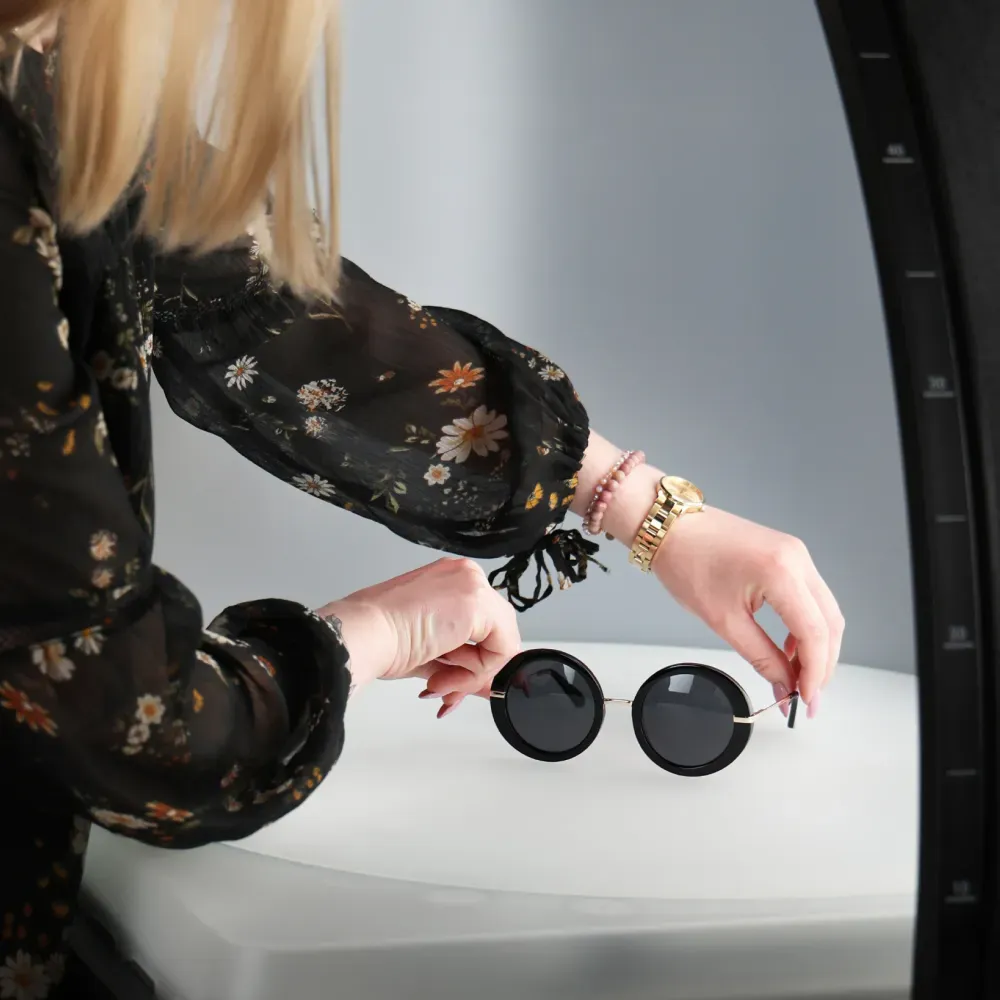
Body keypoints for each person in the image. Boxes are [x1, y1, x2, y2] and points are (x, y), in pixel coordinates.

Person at [0, 3, 844, 996]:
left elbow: (272, 310)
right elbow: (137, 730)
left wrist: (644, 506)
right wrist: (365, 638)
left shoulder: (50, 75)